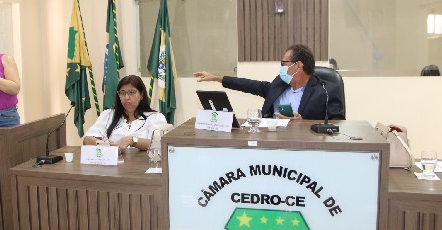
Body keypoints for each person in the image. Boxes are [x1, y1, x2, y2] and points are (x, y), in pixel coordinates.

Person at [194, 44, 345, 121]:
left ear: (298, 65)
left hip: (303, 148)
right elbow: (251, 85)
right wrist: (217, 78)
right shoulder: (280, 83)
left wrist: (303, 123)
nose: (282, 67)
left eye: (284, 63)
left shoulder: (326, 91)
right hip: (271, 143)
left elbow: (337, 125)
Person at [83, 75, 167, 153]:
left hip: (142, 163)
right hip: (113, 161)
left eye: (131, 92)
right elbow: (87, 140)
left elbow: (159, 143)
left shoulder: (155, 117)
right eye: (122, 93)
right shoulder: (108, 114)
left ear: (141, 95)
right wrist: (101, 143)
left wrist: (132, 140)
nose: (126, 97)